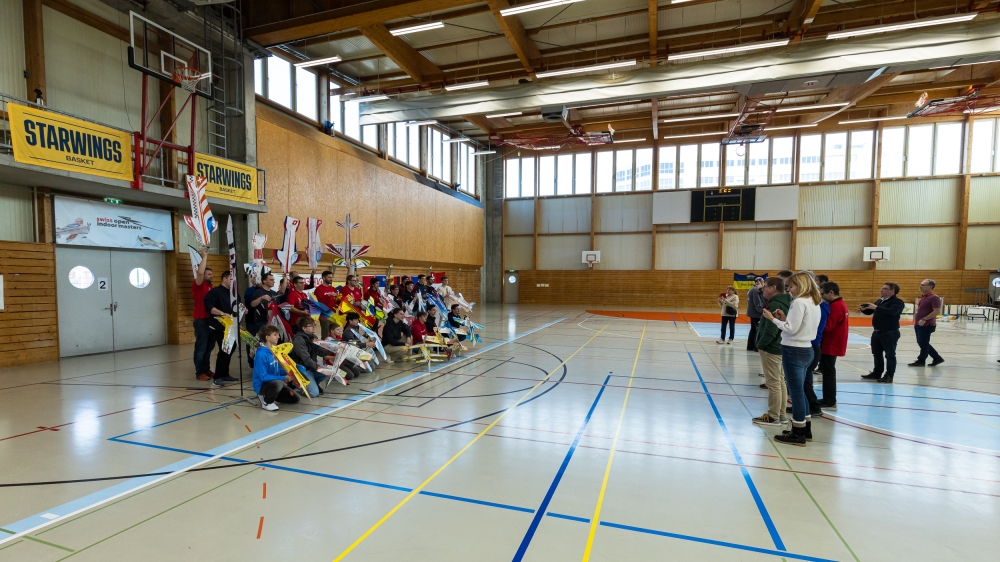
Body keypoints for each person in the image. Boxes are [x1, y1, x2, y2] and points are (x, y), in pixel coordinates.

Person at [762, 272, 822, 446]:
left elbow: (791, 329)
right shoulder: (813, 301)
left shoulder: (799, 302)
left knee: (796, 393)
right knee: (801, 391)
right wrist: (784, 319)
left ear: (801, 286)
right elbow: (798, 325)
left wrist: (773, 319)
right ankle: (805, 428)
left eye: (791, 286)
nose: (789, 290)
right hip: (806, 349)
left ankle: (798, 432)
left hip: (793, 350)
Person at [752, 277, 792, 427]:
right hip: (778, 346)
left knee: (773, 383)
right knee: (779, 381)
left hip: (771, 348)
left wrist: (761, 345)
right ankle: (781, 415)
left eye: (766, 286)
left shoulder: (775, 304)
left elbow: (771, 328)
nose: (763, 289)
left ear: (773, 288)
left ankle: (773, 416)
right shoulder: (783, 301)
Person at [860, 282, 905, 383]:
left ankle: (889, 375)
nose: (881, 290)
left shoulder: (897, 302)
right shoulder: (881, 300)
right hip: (877, 332)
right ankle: (877, 372)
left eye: (885, 288)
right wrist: (864, 309)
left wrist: (876, 307)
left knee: (890, 355)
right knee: (876, 354)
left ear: (892, 291)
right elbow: (872, 311)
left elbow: (893, 311)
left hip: (889, 332)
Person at [204, 270, 240, 387]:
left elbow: (238, 306)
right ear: (224, 278)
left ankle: (225, 373)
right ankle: (218, 376)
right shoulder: (215, 292)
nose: (233, 281)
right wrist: (222, 313)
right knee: (225, 350)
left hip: (232, 326)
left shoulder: (234, 294)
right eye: (231, 279)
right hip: (219, 326)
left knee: (231, 349)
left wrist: (243, 310)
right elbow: (210, 307)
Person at [252, 325, 300, 411]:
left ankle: (271, 395)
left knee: (295, 398)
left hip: (274, 382)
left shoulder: (275, 351)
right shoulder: (261, 355)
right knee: (278, 383)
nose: (278, 337)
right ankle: (267, 402)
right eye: (275, 335)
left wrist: (290, 372)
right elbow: (263, 376)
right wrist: (284, 378)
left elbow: (277, 370)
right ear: (267, 337)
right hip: (262, 385)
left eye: (278, 334)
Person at [801, 276, 829, 417]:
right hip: (811, 344)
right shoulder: (819, 306)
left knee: (805, 380)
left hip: (811, 344)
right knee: (805, 378)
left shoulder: (819, 307)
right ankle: (805, 405)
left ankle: (814, 406)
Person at [818, 282, 848, 409]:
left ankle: (830, 400)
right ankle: (828, 398)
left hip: (831, 343)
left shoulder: (836, 306)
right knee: (827, 372)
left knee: (828, 373)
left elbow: (828, 326)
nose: (822, 297)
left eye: (823, 294)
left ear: (831, 292)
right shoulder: (839, 304)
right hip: (832, 342)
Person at [291, 317, 334, 397]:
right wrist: (318, 368)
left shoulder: (313, 336)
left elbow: (321, 352)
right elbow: (306, 360)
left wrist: (333, 348)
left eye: (314, 325)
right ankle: (295, 382)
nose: (314, 327)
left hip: (311, 367)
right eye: (311, 326)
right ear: (304, 328)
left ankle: (313, 383)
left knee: (332, 372)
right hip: (303, 369)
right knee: (313, 394)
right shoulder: (299, 340)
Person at [245, 272, 279, 368]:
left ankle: (269, 363)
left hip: (272, 322)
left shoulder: (274, 293)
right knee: (260, 344)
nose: (273, 281)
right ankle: (255, 363)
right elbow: (252, 304)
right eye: (271, 280)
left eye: (273, 280)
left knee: (272, 343)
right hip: (261, 322)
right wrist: (261, 298)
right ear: (264, 281)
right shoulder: (258, 292)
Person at [909, 279, 944, 367]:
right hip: (919, 324)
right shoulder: (924, 297)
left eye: (923, 285)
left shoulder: (934, 297)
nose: (920, 286)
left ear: (930, 287)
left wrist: (924, 319)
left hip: (926, 325)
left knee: (923, 343)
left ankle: (921, 360)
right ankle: (937, 358)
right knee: (922, 342)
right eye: (920, 284)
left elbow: (937, 311)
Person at [191, 248, 214, 381]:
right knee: (201, 347)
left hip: (210, 320)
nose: (211, 276)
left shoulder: (211, 287)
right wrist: (204, 257)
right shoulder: (198, 285)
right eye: (209, 274)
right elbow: (199, 273)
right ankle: (199, 372)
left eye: (212, 274)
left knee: (209, 348)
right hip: (201, 320)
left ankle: (206, 368)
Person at [314, 270, 339, 339]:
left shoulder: (332, 288)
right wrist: (328, 296)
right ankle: (324, 345)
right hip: (324, 314)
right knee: (326, 334)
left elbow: (335, 301)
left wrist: (338, 299)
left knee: (334, 332)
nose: (331, 279)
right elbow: (318, 303)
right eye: (329, 277)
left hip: (333, 314)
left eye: (331, 277)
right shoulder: (318, 289)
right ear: (324, 278)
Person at [745, 278, 766, 352]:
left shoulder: (752, 289)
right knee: (757, 330)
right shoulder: (755, 290)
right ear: (759, 282)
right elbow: (757, 303)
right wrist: (762, 311)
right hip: (756, 313)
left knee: (753, 329)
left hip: (753, 313)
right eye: (763, 281)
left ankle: (750, 346)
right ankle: (755, 347)